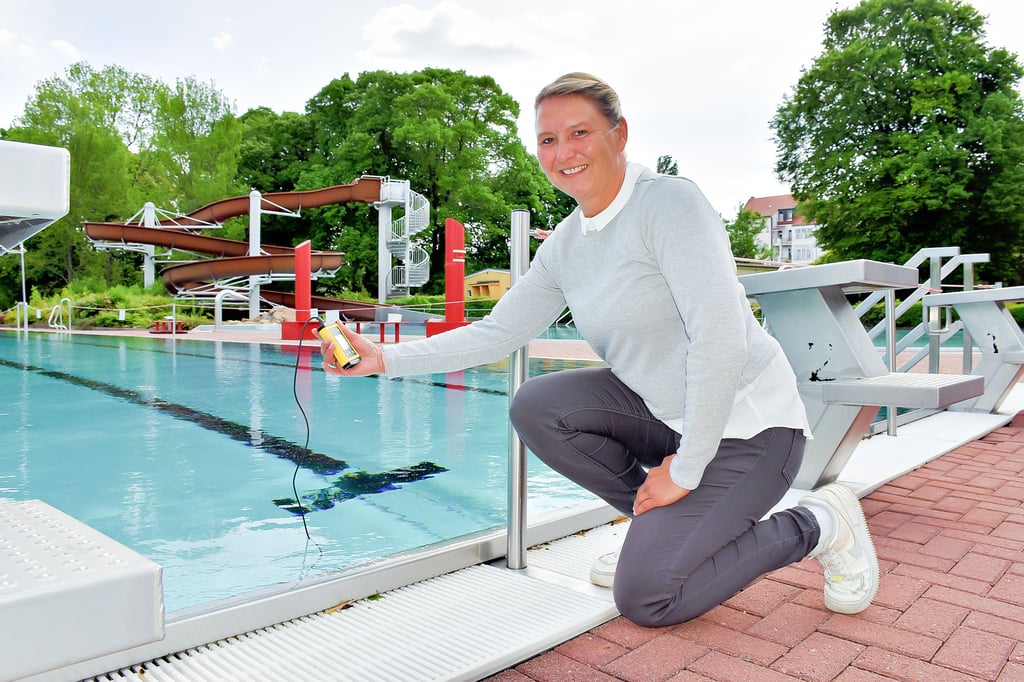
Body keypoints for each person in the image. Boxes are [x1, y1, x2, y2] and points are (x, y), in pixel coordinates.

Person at [321, 72, 879, 626]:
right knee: (537, 405)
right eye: (547, 139)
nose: (563, 152)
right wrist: (384, 357)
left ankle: (821, 523)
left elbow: (719, 338)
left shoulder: (669, 204)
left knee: (649, 600)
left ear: (619, 134)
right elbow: (497, 333)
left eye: (579, 133)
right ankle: (659, 530)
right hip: (667, 417)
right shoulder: (566, 243)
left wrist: (685, 472)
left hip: (751, 426)